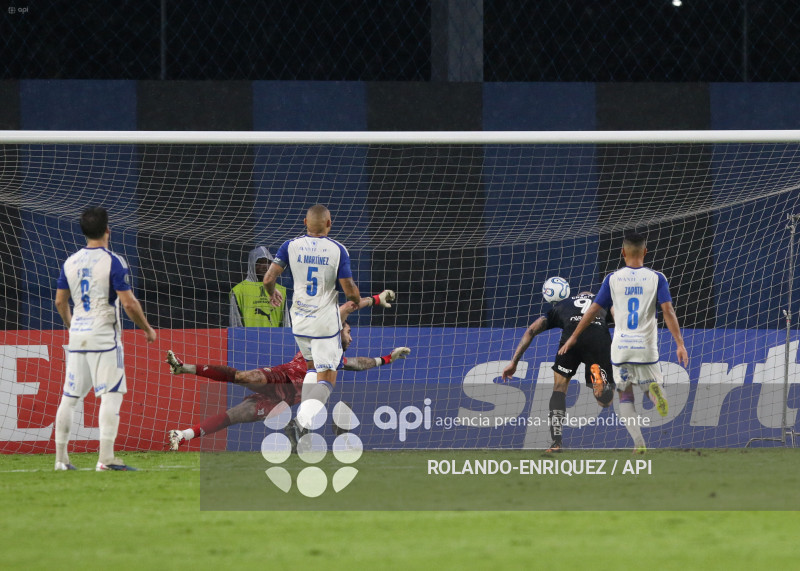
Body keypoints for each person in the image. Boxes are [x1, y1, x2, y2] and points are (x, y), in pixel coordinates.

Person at [166, 292, 407, 450]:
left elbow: (359, 364)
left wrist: (387, 358)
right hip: (281, 377)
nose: (351, 336)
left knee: (233, 417)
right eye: (348, 331)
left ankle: (182, 435)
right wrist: (376, 299)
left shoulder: (336, 359)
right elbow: (349, 306)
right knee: (241, 377)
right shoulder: (324, 339)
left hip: (283, 401)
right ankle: (183, 368)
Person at [559, 232, 689, 453]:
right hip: (646, 348)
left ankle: (639, 444)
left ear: (623, 252)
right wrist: (680, 343)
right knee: (650, 387)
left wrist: (573, 336)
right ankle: (655, 392)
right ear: (645, 252)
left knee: (625, 395)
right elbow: (668, 311)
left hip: (621, 349)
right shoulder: (657, 278)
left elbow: (593, 310)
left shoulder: (612, 279)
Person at [53, 206, 156, 471]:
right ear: (108, 229)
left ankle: (61, 460)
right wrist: (147, 328)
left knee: (70, 396)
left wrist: (71, 324)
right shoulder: (113, 261)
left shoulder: (70, 262)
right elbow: (129, 303)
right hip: (104, 335)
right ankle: (106, 459)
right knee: (111, 394)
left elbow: (60, 301)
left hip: (78, 335)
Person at [263, 204, 361, 431]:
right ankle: (300, 423)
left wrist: (271, 293)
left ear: (305, 223)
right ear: (329, 223)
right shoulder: (337, 249)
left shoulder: (290, 245)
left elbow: (268, 279)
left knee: (311, 368)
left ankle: (304, 427)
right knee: (327, 378)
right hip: (325, 323)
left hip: (299, 320)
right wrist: (356, 299)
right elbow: (350, 290)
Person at [502, 286, 615, 453]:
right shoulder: (603, 301)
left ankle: (556, 441)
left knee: (559, 389)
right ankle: (599, 380)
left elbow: (531, 330)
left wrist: (514, 362)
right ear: (593, 296)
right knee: (605, 402)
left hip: (570, 340)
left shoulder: (563, 304)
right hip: (597, 339)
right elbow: (619, 319)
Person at [229, 246, 288, 327]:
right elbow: (235, 322)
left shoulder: (281, 290)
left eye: (267, 262)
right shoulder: (239, 290)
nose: (264, 266)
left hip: (274, 337)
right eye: (259, 262)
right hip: (248, 338)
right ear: (251, 264)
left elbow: (285, 322)